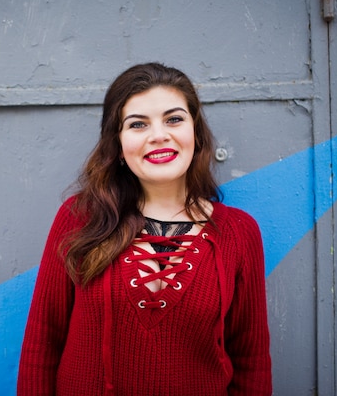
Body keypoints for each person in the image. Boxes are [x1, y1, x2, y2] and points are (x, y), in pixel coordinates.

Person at [17, 62, 272, 395]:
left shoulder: (238, 233)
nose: (158, 135)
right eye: (138, 124)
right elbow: (42, 343)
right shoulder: (81, 218)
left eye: (174, 119)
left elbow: (251, 361)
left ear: (195, 132)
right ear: (119, 144)